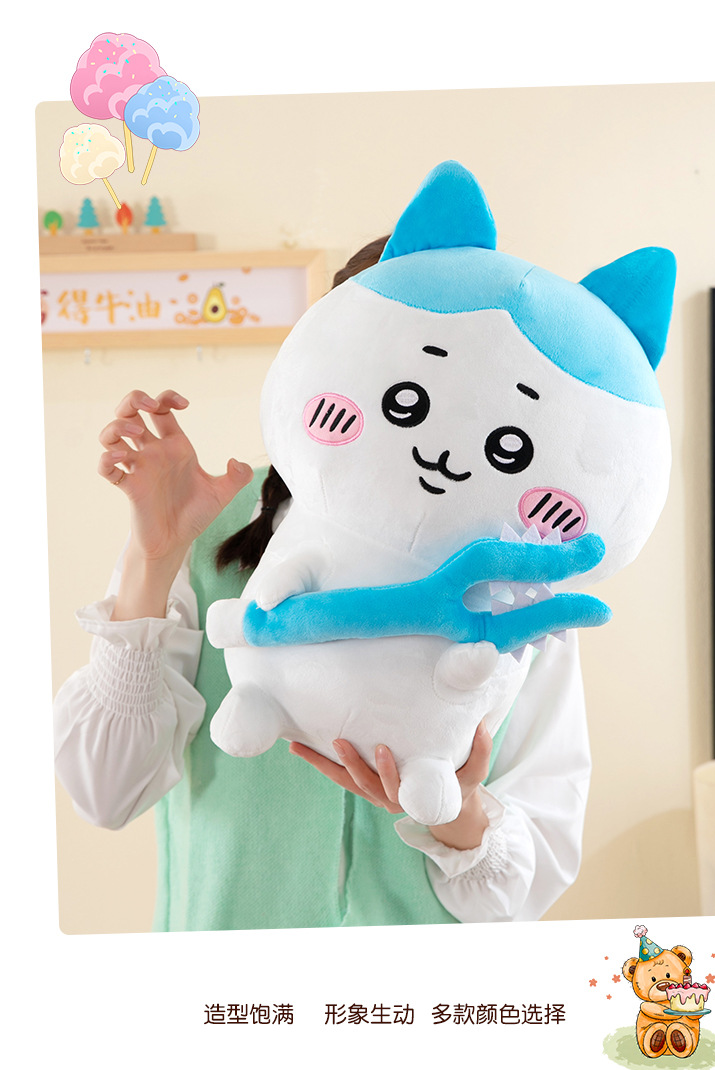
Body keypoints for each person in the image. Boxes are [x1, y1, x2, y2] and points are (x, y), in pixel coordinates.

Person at [53, 239, 592, 930]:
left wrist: (454, 811)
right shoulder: (213, 521)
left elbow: (533, 861)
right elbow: (105, 793)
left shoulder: (521, 579)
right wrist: (153, 556)